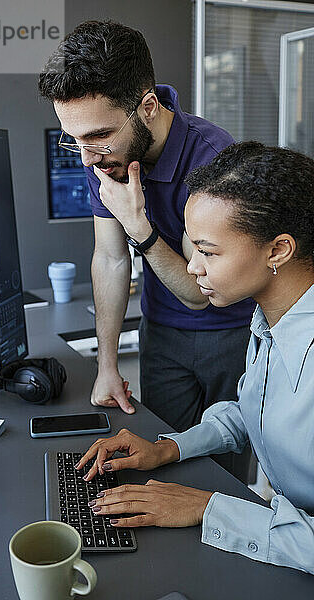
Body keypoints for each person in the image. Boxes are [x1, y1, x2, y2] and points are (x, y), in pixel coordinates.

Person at [75, 142, 314, 574]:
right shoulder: (272, 318)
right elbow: (253, 414)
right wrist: (167, 449)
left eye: (207, 251)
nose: (191, 268)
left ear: (278, 250)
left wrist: (208, 507)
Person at [38, 21, 254, 480]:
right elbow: (110, 259)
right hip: (163, 334)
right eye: (72, 138)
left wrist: (139, 225)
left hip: (231, 336)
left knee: (223, 477)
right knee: (158, 465)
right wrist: (107, 365)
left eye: (97, 135)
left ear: (148, 107)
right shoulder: (103, 159)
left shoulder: (213, 155)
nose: (85, 157)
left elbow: (200, 292)